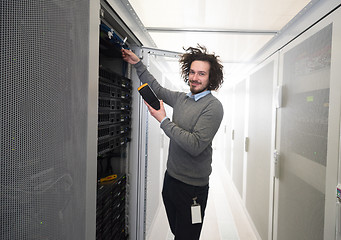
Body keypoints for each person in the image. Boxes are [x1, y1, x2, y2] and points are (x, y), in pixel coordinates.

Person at [121, 45, 224, 240]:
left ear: (211, 78)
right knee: (178, 231)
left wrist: (163, 120)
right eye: (192, 72)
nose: (195, 77)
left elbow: (195, 145)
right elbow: (157, 89)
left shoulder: (213, 107)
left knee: (187, 236)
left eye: (201, 74)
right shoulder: (181, 98)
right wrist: (137, 64)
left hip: (193, 189)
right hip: (171, 180)